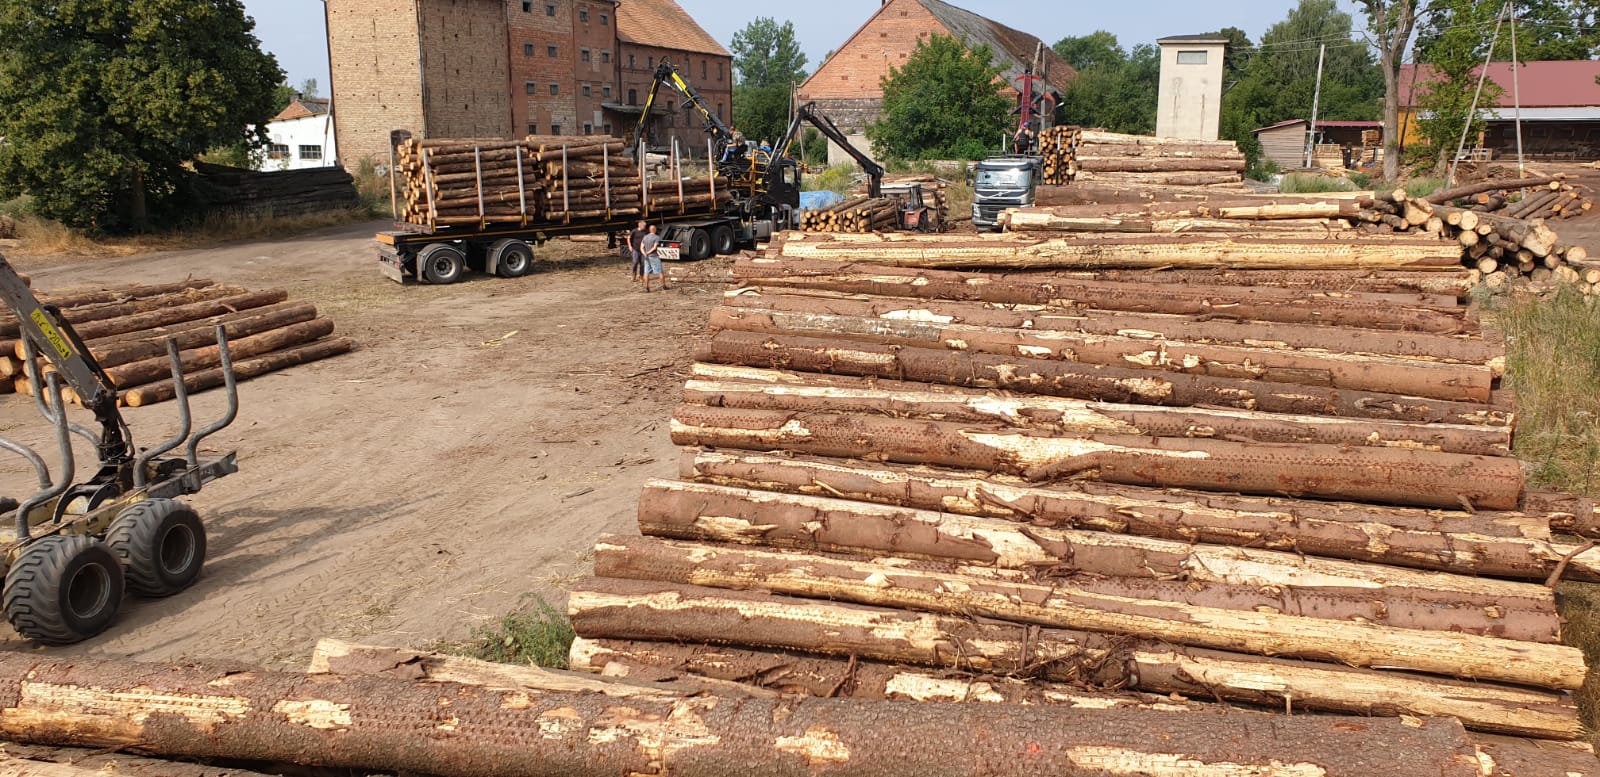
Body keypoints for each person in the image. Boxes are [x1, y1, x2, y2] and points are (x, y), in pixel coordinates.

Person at [639, 224, 667, 291]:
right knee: (660, 272)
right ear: (655, 230)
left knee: (646, 272)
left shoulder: (645, 237)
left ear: (649, 230)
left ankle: (646, 287)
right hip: (654, 256)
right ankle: (663, 286)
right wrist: (648, 253)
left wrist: (645, 254)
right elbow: (654, 247)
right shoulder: (656, 237)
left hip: (646, 257)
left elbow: (641, 247)